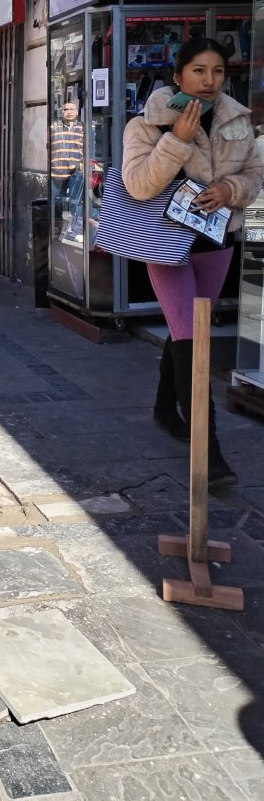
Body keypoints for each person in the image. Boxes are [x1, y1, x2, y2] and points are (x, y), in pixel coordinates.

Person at [123, 37, 263, 488]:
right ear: (178, 75)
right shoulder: (148, 124)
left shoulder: (238, 119)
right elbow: (139, 185)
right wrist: (177, 143)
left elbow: (257, 174)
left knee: (189, 328)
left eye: (218, 71)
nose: (209, 81)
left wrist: (232, 190)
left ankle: (167, 406)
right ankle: (209, 450)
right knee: (191, 336)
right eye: (199, 71)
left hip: (216, 239)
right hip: (164, 241)